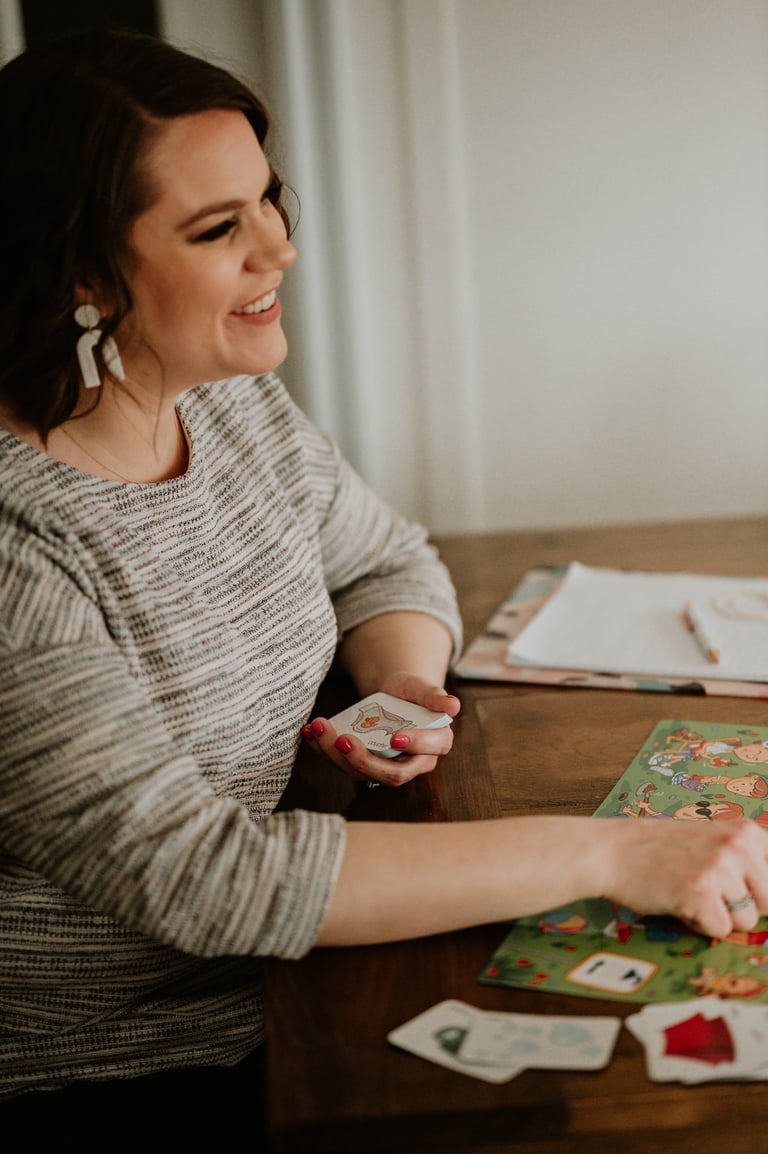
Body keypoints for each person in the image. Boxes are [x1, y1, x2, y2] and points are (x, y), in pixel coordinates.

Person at [2, 27, 768, 1128]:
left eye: (271, 200)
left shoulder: (219, 396)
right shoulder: (17, 547)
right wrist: (616, 849)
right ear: (80, 269)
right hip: (132, 1065)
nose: (278, 249)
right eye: (220, 228)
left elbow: (382, 555)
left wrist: (401, 681)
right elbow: (203, 877)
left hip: (303, 963)